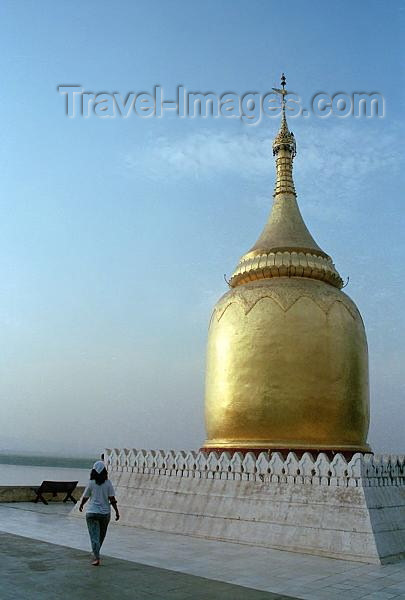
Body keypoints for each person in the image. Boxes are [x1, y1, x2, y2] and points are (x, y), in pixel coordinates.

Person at [79, 460, 120, 566]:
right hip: (105, 514)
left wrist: (81, 505)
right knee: (101, 536)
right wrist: (116, 511)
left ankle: (96, 556)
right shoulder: (108, 483)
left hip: (92, 513)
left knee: (94, 536)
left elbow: (86, 497)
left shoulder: (91, 483)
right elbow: (112, 499)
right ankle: (96, 553)